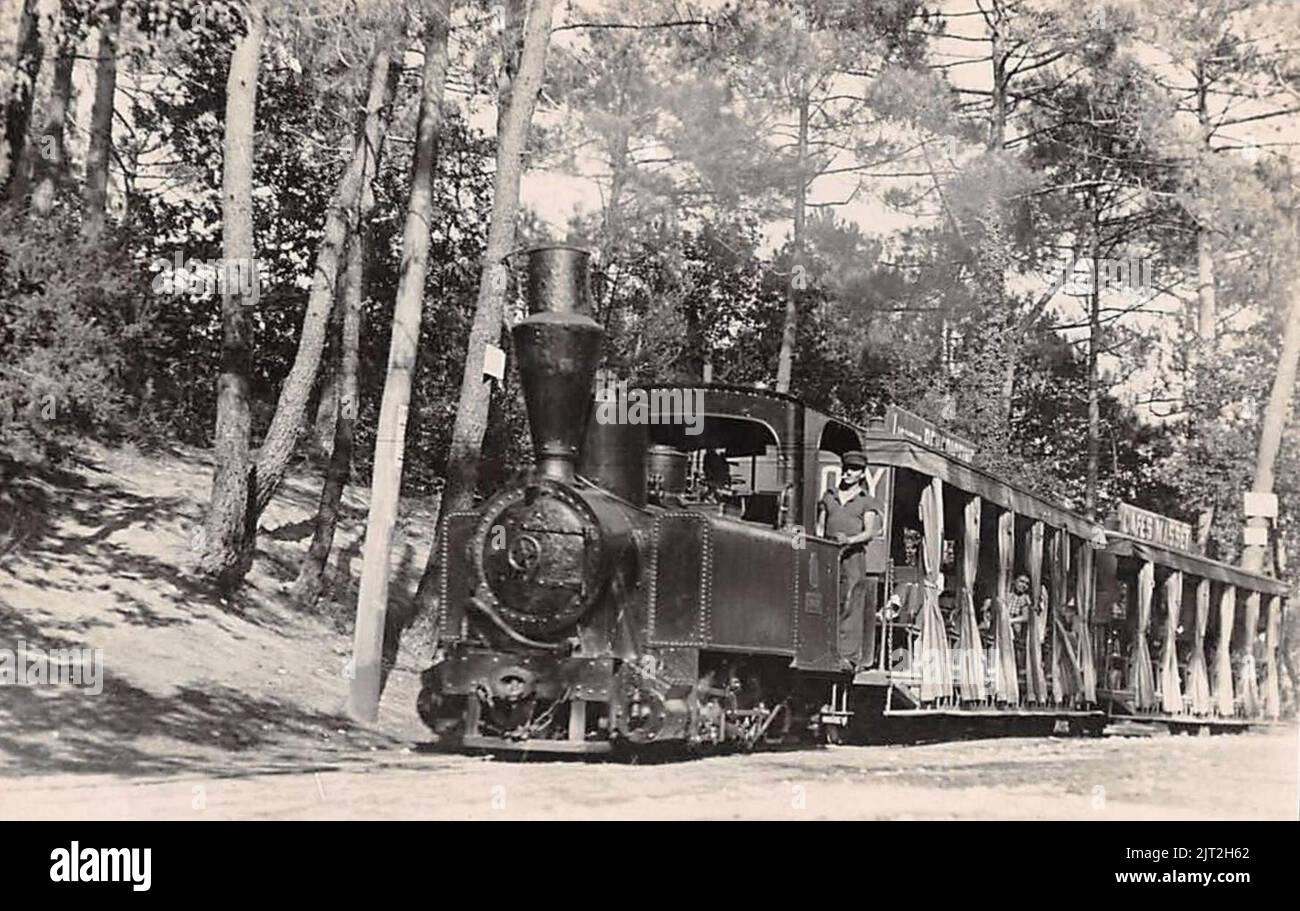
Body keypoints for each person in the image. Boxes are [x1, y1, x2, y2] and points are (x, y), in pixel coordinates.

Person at [816, 450, 884, 670]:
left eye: (853, 469)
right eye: (846, 468)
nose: (847, 472)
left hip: (853, 556)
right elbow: (819, 526)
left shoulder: (867, 501)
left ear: (862, 474)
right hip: (828, 552)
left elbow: (869, 532)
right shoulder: (829, 496)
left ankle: (847, 655)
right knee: (825, 597)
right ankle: (824, 648)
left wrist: (850, 540)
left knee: (851, 601)